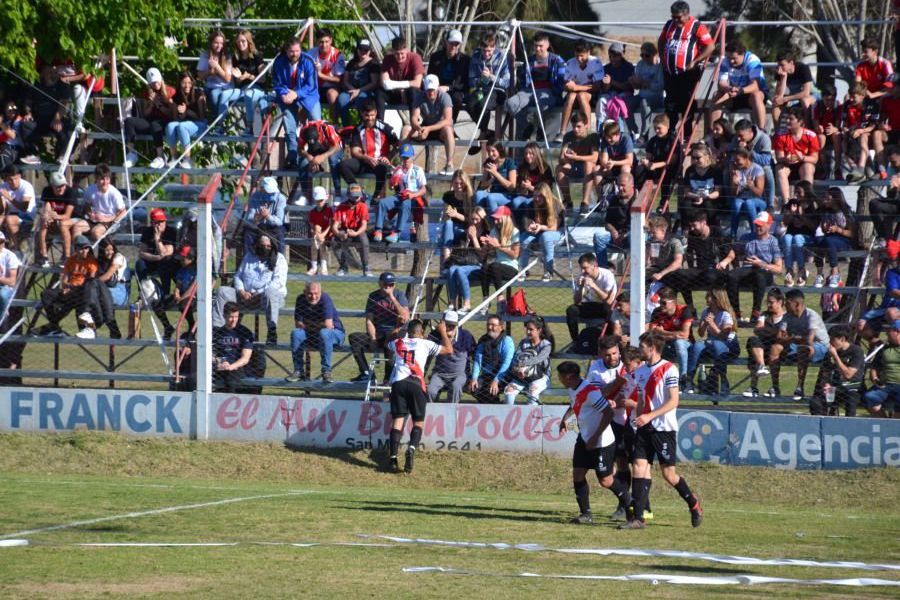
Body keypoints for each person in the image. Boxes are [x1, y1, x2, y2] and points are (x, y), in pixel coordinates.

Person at [621, 331, 703, 530]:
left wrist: (650, 415)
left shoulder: (669, 369)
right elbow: (641, 401)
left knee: (669, 474)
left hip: (663, 429)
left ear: (652, 347)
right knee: (639, 467)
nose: (639, 350)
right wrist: (637, 418)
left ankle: (693, 503)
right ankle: (638, 518)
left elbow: (673, 401)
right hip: (644, 428)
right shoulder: (640, 372)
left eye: (642, 346)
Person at [557, 360, 632, 525]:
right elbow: (574, 404)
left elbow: (608, 413)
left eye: (560, 376)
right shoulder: (572, 388)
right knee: (578, 473)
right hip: (584, 438)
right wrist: (565, 420)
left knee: (606, 481)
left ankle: (631, 507)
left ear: (568, 377)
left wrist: (595, 437)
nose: (559, 379)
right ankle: (586, 514)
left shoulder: (590, 392)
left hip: (602, 442)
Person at [385, 318, 453, 473]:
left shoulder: (398, 342)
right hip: (416, 384)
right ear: (422, 333)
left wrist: (396, 327)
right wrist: (442, 331)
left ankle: (393, 459)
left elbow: (387, 343)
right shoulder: (426, 343)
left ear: (408, 332)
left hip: (399, 383)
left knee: (397, 421)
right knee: (418, 422)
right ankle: (411, 448)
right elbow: (449, 350)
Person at [213, 233, 287, 345]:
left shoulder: (279, 259)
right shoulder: (249, 256)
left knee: (270, 292)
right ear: (257, 245)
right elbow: (238, 276)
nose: (266, 248)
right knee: (222, 291)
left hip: (266, 299)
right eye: (263, 245)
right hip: (244, 296)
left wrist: (257, 293)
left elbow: (277, 283)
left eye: (268, 246)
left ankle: (272, 332)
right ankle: (217, 331)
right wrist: (241, 291)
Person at [658, 1, 715, 144]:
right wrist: (663, 58)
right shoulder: (669, 25)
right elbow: (661, 41)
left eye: (679, 17)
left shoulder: (697, 27)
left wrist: (695, 61)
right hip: (670, 73)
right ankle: (670, 135)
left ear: (687, 14)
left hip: (687, 73)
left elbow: (710, 46)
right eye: (673, 17)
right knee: (670, 104)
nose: (676, 20)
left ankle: (686, 136)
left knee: (686, 104)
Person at [718, 211, 783, 321]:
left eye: (760, 225)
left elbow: (779, 268)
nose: (757, 227)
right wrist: (725, 261)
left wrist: (761, 263)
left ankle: (755, 312)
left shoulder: (773, 241)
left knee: (759, 276)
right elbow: (734, 251)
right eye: (756, 224)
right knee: (731, 275)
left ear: (768, 225)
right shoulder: (746, 237)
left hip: (764, 271)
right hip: (747, 269)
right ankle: (736, 312)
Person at [768, 289, 830, 400]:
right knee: (775, 348)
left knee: (803, 348)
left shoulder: (811, 315)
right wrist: (793, 338)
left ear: (796, 304)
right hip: (797, 344)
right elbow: (779, 337)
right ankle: (775, 387)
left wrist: (790, 338)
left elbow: (810, 340)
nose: (784, 305)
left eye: (787, 303)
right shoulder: (787, 316)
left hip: (820, 346)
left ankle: (799, 387)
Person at [348, 271, 410, 382]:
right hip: (379, 332)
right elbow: (369, 321)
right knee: (354, 338)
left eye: (391, 284)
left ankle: (388, 379)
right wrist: (372, 338)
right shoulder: (373, 296)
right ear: (380, 283)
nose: (388, 287)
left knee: (390, 341)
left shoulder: (399, 295)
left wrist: (391, 297)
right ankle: (367, 373)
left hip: (397, 330)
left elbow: (405, 317)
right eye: (385, 284)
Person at [504, 33, 566, 140]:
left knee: (540, 105)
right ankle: (529, 127)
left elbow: (562, 80)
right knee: (510, 103)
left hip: (548, 92)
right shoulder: (530, 60)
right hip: (529, 91)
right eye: (536, 46)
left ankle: (541, 131)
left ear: (547, 45)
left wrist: (556, 93)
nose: (537, 49)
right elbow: (523, 80)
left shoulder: (556, 60)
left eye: (540, 46)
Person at [272, 36, 321, 167]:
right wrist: (283, 94)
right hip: (287, 98)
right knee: (290, 128)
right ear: (286, 51)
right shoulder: (279, 62)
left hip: (308, 97)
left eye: (297, 51)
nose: (295, 54)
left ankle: (316, 157)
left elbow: (311, 85)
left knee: (316, 123)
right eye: (291, 51)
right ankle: (293, 158)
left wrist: (296, 93)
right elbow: (277, 82)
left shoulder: (308, 61)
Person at [663, 209, 728, 307]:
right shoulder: (692, 235)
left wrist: (724, 262)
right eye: (690, 226)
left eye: (694, 225)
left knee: (709, 275)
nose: (692, 228)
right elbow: (689, 254)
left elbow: (731, 254)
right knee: (679, 274)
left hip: (716, 270)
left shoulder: (717, 232)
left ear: (704, 223)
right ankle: (690, 308)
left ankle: (714, 307)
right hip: (700, 270)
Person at [38, 234, 97, 337]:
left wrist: (72, 288)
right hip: (69, 289)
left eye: (87, 248)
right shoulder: (71, 260)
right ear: (76, 249)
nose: (85, 251)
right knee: (46, 294)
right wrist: (66, 287)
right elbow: (64, 279)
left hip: (81, 291)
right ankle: (54, 325)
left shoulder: (91, 261)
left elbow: (90, 281)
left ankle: (53, 325)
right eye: (82, 249)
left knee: (71, 300)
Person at [286, 281, 345, 384]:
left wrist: (308, 324)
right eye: (310, 293)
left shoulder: (325, 299)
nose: (313, 296)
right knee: (296, 333)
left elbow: (328, 325)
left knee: (324, 333)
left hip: (335, 333)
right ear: (304, 292)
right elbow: (298, 324)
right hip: (313, 334)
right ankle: (299, 371)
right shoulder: (300, 299)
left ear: (320, 292)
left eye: (316, 293)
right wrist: (318, 325)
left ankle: (326, 371)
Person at [339, 101, 398, 199]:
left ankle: (376, 196)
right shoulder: (358, 129)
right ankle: (358, 191)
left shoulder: (385, 128)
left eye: (372, 115)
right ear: (362, 114)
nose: (370, 118)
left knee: (382, 169)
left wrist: (388, 157)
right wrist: (366, 158)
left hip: (380, 162)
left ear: (375, 112)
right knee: (343, 165)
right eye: (367, 115)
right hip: (364, 161)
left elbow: (397, 145)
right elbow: (355, 151)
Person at [686, 288, 739, 395]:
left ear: (717, 299)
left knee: (716, 344)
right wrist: (705, 324)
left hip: (728, 346)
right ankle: (689, 381)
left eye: (709, 296)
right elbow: (700, 334)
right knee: (697, 346)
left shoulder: (725, 314)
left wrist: (712, 324)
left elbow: (724, 336)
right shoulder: (706, 311)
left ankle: (724, 382)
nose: (706, 298)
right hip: (712, 343)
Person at [136, 208, 178, 334]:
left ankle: (164, 293)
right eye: (156, 222)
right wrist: (155, 257)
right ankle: (143, 292)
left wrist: (157, 238)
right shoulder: (147, 232)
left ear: (165, 221)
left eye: (161, 222)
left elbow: (166, 253)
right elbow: (141, 253)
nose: (159, 225)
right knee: (139, 264)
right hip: (153, 260)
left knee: (165, 263)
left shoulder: (171, 232)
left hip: (167, 263)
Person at [374, 142, 426, 243]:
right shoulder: (398, 169)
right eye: (403, 158)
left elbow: (423, 190)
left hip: (413, 197)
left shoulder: (417, 170)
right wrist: (392, 182)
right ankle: (378, 230)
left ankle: (397, 232)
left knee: (405, 203)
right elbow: (390, 187)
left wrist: (413, 194)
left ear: (412, 157)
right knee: (382, 203)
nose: (406, 160)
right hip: (400, 195)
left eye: (408, 157)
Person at [709, 39, 768, 129]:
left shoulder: (752, 60)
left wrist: (740, 90)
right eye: (729, 58)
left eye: (734, 58)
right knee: (716, 95)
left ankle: (761, 130)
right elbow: (721, 84)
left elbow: (755, 86)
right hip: (735, 93)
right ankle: (713, 131)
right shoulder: (725, 61)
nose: (731, 61)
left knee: (756, 95)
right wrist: (729, 89)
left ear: (742, 54)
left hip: (752, 95)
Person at [123, 67, 174, 169]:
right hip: (151, 120)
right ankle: (131, 153)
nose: (155, 85)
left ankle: (160, 156)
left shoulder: (170, 91)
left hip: (165, 121)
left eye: (157, 82)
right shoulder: (148, 93)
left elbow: (171, 114)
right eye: (153, 83)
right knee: (129, 121)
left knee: (155, 125)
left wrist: (159, 104)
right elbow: (146, 114)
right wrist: (151, 103)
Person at [810, 324, 864, 417]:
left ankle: (850, 425)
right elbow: (825, 373)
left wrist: (835, 356)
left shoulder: (856, 351)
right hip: (835, 386)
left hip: (853, 385)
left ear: (842, 339)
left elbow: (848, 375)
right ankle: (821, 424)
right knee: (815, 402)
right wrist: (826, 383)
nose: (830, 343)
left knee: (851, 399)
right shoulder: (830, 352)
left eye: (832, 340)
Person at [743, 288, 787, 398]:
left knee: (771, 348)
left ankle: (775, 387)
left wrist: (766, 331)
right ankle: (760, 371)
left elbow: (783, 336)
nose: (768, 305)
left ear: (780, 302)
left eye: (771, 302)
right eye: (767, 302)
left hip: (778, 350)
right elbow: (757, 329)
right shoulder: (765, 314)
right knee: (753, 341)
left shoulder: (787, 317)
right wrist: (775, 332)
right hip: (762, 347)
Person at [810, 187, 858, 288]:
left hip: (844, 240)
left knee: (829, 241)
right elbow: (823, 231)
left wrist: (838, 230)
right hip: (830, 238)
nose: (824, 200)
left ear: (835, 199)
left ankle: (835, 273)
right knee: (817, 241)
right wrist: (825, 227)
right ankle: (819, 274)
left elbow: (852, 233)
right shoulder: (825, 211)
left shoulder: (846, 212)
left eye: (827, 198)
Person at [407, 74, 455, 175]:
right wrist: (419, 128)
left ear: (437, 88)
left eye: (433, 89)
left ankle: (449, 164)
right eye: (428, 90)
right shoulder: (419, 97)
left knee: (448, 129)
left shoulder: (445, 97)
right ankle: (405, 164)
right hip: (425, 128)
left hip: (439, 129)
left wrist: (428, 128)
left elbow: (447, 120)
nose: (431, 92)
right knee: (405, 130)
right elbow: (414, 118)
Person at [466, 32, 510, 140]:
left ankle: (483, 134)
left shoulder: (501, 58)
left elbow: (506, 82)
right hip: (481, 90)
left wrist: (491, 76)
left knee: (483, 104)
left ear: (494, 47)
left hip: (497, 92)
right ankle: (485, 130)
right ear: (480, 48)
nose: (486, 54)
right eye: (484, 51)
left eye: (489, 51)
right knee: (470, 103)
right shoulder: (476, 57)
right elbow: (471, 81)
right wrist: (480, 79)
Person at [646, 286, 694, 386]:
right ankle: (653, 377)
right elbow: (652, 332)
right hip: (665, 344)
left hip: (686, 345)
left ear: (674, 302)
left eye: (664, 303)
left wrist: (663, 333)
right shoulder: (657, 312)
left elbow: (684, 335)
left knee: (679, 343)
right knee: (649, 344)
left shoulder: (684, 310)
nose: (661, 305)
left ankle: (683, 378)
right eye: (660, 302)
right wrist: (672, 335)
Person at [558, 41, 604, 141]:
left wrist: (576, 87)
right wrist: (571, 87)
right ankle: (562, 132)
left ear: (588, 52)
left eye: (582, 56)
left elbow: (597, 86)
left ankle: (587, 131)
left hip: (592, 95)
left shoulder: (595, 62)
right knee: (571, 96)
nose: (579, 59)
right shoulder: (570, 62)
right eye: (577, 56)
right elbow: (566, 85)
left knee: (581, 96)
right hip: (575, 95)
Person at [445, 206, 489, 313]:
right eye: (472, 219)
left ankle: (467, 304)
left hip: (478, 264)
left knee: (460, 271)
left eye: (477, 220)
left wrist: (474, 238)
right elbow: (463, 251)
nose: (474, 222)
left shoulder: (487, 233)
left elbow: (482, 256)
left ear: (482, 220)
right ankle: (452, 303)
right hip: (465, 262)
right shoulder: (468, 229)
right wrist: (467, 240)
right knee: (451, 270)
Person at [427, 309, 476, 403]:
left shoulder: (466, 336)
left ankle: (451, 412)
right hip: (439, 374)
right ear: (442, 323)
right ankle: (432, 413)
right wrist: (443, 333)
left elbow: (474, 355)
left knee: (456, 387)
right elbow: (427, 351)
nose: (449, 327)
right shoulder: (435, 336)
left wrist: (472, 377)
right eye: (447, 324)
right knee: (430, 390)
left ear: (457, 325)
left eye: (452, 325)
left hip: (459, 374)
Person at [566, 252, 617, 343]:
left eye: (585, 268)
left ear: (594, 265)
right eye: (581, 268)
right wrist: (581, 287)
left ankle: (609, 341)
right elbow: (577, 302)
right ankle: (576, 341)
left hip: (604, 306)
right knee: (571, 310)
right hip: (590, 305)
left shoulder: (607, 275)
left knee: (610, 311)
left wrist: (594, 286)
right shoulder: (581, 276)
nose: (583, 271)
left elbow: (609, 301)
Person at [773, 106, 820, 203]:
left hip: (803, 165)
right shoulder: (781, 135)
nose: (787, 121)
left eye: (791, 119)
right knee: (780, 169)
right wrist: (786, 159)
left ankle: (806, 201)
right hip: (788, 166)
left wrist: (802, 157)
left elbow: (814, 159)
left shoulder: (811, 135)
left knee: (807, 167)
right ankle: (787, 202)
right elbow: (779, 158)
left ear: (800, 121)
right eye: (787, 118)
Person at [556, 112, 599, 211]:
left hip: (587, 168)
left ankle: (585, 202)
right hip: (573, 165)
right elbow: (561, 158)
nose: (576, 129)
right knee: (559, 168)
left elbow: (594, 158)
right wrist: (568, 158)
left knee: (588, 164)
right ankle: (568, 201)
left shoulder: (592, 136)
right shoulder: (568, 136)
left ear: (586, 125)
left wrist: (576, 157)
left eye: (579, 126)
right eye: (574, 126)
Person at [503, 318, 553, 405]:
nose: (528, 332)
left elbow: (539, 358)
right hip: (521, 377)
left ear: (539, 330)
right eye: (527, 329)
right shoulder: (523, 342)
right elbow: (516, 358)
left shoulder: (546, 345)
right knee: (508, 392)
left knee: (532, 393)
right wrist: (517, 370)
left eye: (531, 329)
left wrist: (523, 364)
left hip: (540, 377)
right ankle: (510, 415)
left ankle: (532, 417)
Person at [467, 314, 515, 403]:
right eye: (488, 324)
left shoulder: (507, 341)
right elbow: (478, 361)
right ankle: (495, 406)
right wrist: (474, 378)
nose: (489, 327)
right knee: (473, 387)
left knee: (490, 389)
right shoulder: (483, 341)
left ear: (501, 327)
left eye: (493, 325)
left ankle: (495, 408)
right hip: (488, 375)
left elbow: (506, 363)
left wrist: (496, 380)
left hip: (505, 375)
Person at [479, 206, 520, 310]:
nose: (496, 221)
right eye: (495, 218)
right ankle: (486, 300)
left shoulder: (515, 232)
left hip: (511, 268)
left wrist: (498, 246)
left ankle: (500, 300)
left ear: (506, 218)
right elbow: (485, 255)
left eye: (498, 218)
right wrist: (486, 245)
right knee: (485, 267)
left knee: (494, 266)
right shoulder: (494, 231)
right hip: (496, 267)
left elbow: (515, 255)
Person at [519, 182, 562, 281]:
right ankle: (523, 270)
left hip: (556, 233)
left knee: (546, 237)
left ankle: (548, 271)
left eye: (540, 196)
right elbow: (526, 222)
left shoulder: (555, 204)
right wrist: (530, 227)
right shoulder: (531, 204)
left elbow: (554, 228)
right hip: (539, 232)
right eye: (535, 196)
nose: (537, 199)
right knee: (523, 238)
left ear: (546, 195)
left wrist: (541, 227)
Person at [592, 172, 636, 267]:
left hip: (633, 235)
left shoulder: (640, 199)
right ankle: (603, 270)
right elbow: (607, 222)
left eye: (623, 185)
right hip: (616, 237)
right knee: (598, 237)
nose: (620, 188)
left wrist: (626, 234)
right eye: (618, 185)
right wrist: (613, 231)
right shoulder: (613, 200)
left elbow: (645, 224)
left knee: (635, 238)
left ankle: (636, 269)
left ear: (631, 185)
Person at [426, 29, 471, 122]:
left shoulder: (465, 60)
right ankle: (430, 124)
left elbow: (464, 83)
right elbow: (430, 76)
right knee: (423, 96)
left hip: (455, 90)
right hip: (437, 88)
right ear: (446, 42)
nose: (453, 46)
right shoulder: (435, 57)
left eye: (457, 44)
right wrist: (435, 87)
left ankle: (449, 124)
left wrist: (448, 88)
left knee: (456, 98)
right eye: (451, 43)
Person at [780, 180, 818, 287]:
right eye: (796, 192)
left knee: (797, 238)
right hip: (791, 233)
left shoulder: (812, 205)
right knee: (787, 238)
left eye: (799, 192)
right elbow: (785, 222)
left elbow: (813, 227)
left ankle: (802, 270)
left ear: (806, 191)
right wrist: (791, 214)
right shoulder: (792, 203)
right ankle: (789, 270)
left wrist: (801, 215)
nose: (796, 194)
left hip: (807, 236)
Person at [164, 73, 207, 169]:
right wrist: (173, 106)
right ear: (179, 83)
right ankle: (175, 157)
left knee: (182, 126)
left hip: (200, 124)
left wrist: (186, 110)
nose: (187, 86)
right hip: (185, 123)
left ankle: (187, 159)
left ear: (192, 83)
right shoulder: (177, 96)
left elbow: (201, 115)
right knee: (170, 126)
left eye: (189, 82)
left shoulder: (198, 93)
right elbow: (176, 118)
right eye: (184, 83)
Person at [381, 36, 425, 128]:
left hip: (411, 94)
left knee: (413, 91)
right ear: (392, 51)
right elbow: (384, 83)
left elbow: (417, 83)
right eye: (397, 54)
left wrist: (397, 86)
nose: (400, 56)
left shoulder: (415, 58)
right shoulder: (387, 59)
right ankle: (379, 124)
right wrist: (401, 88)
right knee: (379, 93)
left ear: (407, 50)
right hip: (395, 94)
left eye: (402, 53)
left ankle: (414, 121)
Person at [678, 143, 723, 232]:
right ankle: (686, 231)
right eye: (693, 158)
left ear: (706, 157)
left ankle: (711, 231)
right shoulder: (690, 170)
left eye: (698, 158)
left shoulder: (715, 170)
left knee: (709, 205)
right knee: (685, 205)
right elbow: (686, 191)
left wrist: (706, 197)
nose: (695, 160)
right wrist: (697, 196)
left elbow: (718, 192)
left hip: (710, 197)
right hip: (694, 197)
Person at [231, 29, 268, 136]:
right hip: (243, 89)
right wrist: (238, 79)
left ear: (248, 42)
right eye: (238, 42)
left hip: (258, 89)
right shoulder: (236, 58)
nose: (240, 44)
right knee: (224, 95)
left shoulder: (257, 56)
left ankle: (249, 126)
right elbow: (237, 81)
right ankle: (218, 126)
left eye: (243, 41)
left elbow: (263, 79)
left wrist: (249, 76)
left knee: (248, 95)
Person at [35, 172, 78, 265]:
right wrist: (47, 216)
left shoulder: (71, 192)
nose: (61, 188)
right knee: (43, 221)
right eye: (58, 186)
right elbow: (47, 207)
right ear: (52, 186)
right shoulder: (47, 191)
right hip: (56, 219)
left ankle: (67, 256)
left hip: (74, 219)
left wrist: (55, 216)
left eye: (63, 185)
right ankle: (44, 255)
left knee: (63, 224)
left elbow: (67, 215)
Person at [296, 118, 343, 202]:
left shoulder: (326, 127)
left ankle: (338, 193)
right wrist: (309, 157)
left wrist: (322, 157)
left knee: (333, 160)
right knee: (303, 162)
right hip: (314, 150)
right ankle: (305, 195)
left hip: (333, 147)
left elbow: (337, 146)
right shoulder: (303, 130)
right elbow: (300, 149)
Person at [338, 39, 384, 125]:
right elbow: (345, 81)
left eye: (366, 50)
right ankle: (346, 127)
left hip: (366, 92)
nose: (363, 52)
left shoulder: (373, 64)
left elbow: (374, 83)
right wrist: (353, 90)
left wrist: (359, 91)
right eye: (361, 49)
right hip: (351, 91)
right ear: (357, 50)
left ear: (370, 51)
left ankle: (363, 126)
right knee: (341, 99)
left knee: (362, 101)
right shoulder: (351, 63)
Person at [634, 113, 680, 198]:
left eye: (659, 128)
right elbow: (648, 155)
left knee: (666, 176)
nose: (656, 131)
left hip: (669, 168)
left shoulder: (673, 140)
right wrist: (645, 160)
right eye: (655, 128)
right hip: (654, 168)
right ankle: (639, 194)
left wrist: (655, 165)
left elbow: (673, 160)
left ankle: (663, 203)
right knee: (639, 169)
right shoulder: (653, 140)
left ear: (667, 126)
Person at [732, 118, 775, 210]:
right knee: (727, 171)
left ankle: (770, 204)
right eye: (737, 136)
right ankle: (729, 201)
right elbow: (731, 154)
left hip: (759, 166)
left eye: (741, 136)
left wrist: (749, 151)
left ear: (750, 132)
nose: (739, 138)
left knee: (767, 170)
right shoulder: (736, 139)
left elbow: (766, 160)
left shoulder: (764, 138)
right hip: (741, 165)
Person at [212, 302, 255, 393]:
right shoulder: (217, 333)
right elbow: (211, 354)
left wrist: (232, 366)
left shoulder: (245, 332)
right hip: (220, 366)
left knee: (231, 379)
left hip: (237, 368)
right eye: (231, 317)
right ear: (224, 316)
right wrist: (221, 362)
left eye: (236, 316)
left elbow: (245, 358)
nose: (234, 320)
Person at [197, 30, 235, 130]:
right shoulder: (205, 55)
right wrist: (210, 72)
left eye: (221, 43)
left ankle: (218, 124)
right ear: (211, 43)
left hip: (223, 87)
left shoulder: (226, 56)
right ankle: (207, 123)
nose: (219, 46)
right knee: (199, 97)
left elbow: (227, 79)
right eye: (216, 43)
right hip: (209, 86)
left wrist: (217, 67)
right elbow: (200, 76)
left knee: (214, 95)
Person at [628, 42, 665, 142]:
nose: (644, 58)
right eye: (642, 55)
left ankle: (644, 134)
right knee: (626, 103)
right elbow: (637, 86)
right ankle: (634, 130)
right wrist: (633, 82)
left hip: (656, 97)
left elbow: (660, 86)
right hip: (642, 94)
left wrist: (645, 83)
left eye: (647, 55)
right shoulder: (640, 64)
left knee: (644, 102)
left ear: (654, 54)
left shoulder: (659, 66)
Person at [510, 141, 553, 228]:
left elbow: (547, 191)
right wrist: (522, 187)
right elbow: (518, 189)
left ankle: (529, 227)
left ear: (536, 154)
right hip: (525, 195)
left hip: (539, 197)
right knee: (516, 201)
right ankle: (518, 228)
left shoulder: (545, 169)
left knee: (528, 203)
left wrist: (531, 188)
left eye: (531, 153)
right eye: (526, 153)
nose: (527, 156)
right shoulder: (522, 168)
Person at [331, 184, 372, 277]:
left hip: (358, 231)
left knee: (364, 241)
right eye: (355, 196)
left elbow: (364, 225)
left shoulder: (362, 206)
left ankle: (366, 267)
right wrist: (339, 233)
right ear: (349, 196)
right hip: (345, 230)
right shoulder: (341, 207)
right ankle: (343, 267)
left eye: (359, 196)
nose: (357, 198)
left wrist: (356, 233)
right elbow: (334, 226)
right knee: (334, 241)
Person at [728, 147, 767, 238]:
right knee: (736, 203)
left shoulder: (757, 169)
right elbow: (734, 194)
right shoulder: (736, 170)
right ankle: (732, 235)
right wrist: (735, 183)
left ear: (746, 158)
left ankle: (755, 233)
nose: (736, 163)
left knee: (749, 203)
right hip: (741, 199)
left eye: (738, 160)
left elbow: (759, 193)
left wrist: (751, 186)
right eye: (735, 161)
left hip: (757, 200)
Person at [864, 319, 900, 416]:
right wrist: (875, 379)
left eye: (890, 331)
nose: (887, 333)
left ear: (897, 332)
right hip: (886, 385)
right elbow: (874, 367)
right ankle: (885, 422)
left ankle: (894, 426)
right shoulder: (884, 348)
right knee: (870, 396)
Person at [81, 164, 125, 241]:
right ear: (96, 179)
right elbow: (87, 205)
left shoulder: (114, 193)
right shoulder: (90, 190)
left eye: (107, 179)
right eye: (102, 179)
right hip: (95, 220)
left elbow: (123, 212)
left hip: (111, 221)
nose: (105, 182)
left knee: (95, 231)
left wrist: (106, 219)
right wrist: (91, 214)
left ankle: (111, 250)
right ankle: (82, 250)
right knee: (77, 227)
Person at [243, 176, 287, 254]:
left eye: (272, 192)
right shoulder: (254, 197)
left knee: (280, 234)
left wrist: (268, 216)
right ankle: (249, 259)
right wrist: (256, 219)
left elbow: (280, 221)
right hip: (259, 226)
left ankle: (280, 259)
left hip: (274, 227)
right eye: (268, 191)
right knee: (248, 233)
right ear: (262, 189)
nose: (271, 194)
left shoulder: (281, 198)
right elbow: (249, 217)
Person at [309, 28, 346, 120]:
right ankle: (302, 126)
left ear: (331, 40)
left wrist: (321, 75)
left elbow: (339, 79)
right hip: (315, 87)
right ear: (317, 41)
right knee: (303, 94)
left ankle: (334, 125)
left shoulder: (337, 55)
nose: (324, 45)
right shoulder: (310, 54)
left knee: (331, 94)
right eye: (321, 42)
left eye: (327, 41)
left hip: (331, 88)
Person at [771, 50, 815, 124]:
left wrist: (785, 99)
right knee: (776, 103)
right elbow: (779, 95)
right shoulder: (780, 72)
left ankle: (807, 129)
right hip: (794, 97)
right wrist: (783, 78)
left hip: (812, 95)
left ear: (791, 63)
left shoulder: (803, 68)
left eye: (782, 65)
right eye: (778, 65)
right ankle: (777, 132)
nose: (780, 67)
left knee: (805, 101)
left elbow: (806, 93)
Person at [474, 142, 517, 213]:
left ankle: (493, 223)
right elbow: (482, 186)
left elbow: (512, 187)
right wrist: (492, 179)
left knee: (491, 198)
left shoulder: (509, 162)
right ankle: (479, 221)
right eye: (488, 151)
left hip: (507, 195)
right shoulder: (488, 163)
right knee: (479, 194)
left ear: (499, 150)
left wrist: (495, 173)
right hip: (493, 192)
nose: (490, 154)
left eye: (493, 151)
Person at [95, 238, 126, 337]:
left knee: (98, 294)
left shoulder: (118, 257)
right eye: (107, 250)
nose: (110, 252)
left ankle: (96, 325)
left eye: (111, 249)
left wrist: (91, 284)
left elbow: (108, 275)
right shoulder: (100, 261)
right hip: (106, 290)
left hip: (121, 290)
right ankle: (114, 330)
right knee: (99, 296)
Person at [0, 164, 35, 249]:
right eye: (10, 180)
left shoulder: (26, 187)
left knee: (9, 219)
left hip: (26, 216)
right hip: (8, 214)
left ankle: (17, 249)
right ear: (6, 179)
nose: (13, 182)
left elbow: (24, 208)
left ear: (19, 176)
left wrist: (9, 198)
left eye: (15, 178)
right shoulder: (3, 187)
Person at [595, 120, 634, 190]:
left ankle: (623, 192)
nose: (608, 140)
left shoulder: (626, 139)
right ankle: (601, 197)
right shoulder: (605, 140)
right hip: (612, 167)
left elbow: (629, 161)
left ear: (617, 135)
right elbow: (604, 159)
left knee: (625, 168)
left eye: (610, 137)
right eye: (607, 137)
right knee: (596, 169)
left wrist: (614, 163)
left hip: (624, 166)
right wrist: (606, 165)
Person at [856, 37, 895, 102]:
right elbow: (857, 84)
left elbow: (891, 86)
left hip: (883, 97)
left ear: (875, 52)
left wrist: (873, 95)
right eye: (863, 51)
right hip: (867, 97)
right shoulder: (860, 65)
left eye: (866, 52)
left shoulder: (885, 64)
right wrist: (866, 92)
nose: (863, 54)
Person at [306, 186, 333, 276]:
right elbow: (313, 226)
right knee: (315, 241)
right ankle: (314, 267)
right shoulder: (312, 212)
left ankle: (323, 267)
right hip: (317, 235)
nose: (320, 202)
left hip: (327, 234)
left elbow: (330, 225)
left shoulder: (329, 211)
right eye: (318, 200)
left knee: (320, 243)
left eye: (321, 200)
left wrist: (323, 235)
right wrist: (317, 234)